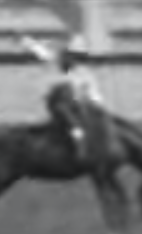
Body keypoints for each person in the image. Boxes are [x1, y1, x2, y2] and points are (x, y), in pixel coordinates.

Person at [18, 32, 108, 161]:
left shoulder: (85, 73)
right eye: (69, 55)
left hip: (76, 106)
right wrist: (26, 41)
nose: (70, 59)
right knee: (73, 121)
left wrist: (98, 107)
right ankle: (80, 149)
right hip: (58, 103)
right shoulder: (55, 61)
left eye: (74, 56)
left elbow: (94, 94)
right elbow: (40, 51)